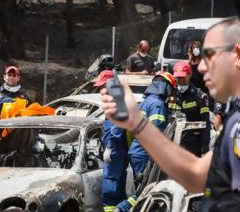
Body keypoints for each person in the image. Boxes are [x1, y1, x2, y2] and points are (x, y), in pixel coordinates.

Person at [101, 17, 240, 211]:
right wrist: (136, 121)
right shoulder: (234, 118)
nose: (200, 67)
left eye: (209, 55)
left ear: (237, 55)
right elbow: (196, 175)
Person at [115, 72, 176, 212]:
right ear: (165, 87)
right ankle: (120, 210)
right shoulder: (157, 104)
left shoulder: (146, 102)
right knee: (145, 191)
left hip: (137, 151)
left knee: (142, 190)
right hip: (145, 153)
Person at [93, 70, 129, 212]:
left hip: (116, 151)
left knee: (110, 189)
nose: (102, 90)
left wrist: (110, 146)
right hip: (115, 150)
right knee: (115, 189)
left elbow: (118, 127)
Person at [171, 61, 211, 157]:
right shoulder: (172, 94)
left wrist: (205, 148)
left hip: (192, 146)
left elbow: (205, 124)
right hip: (173, 145)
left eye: (183, 77)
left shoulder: (200, 97)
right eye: (178, 78)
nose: (180, 80)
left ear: (189, 75)